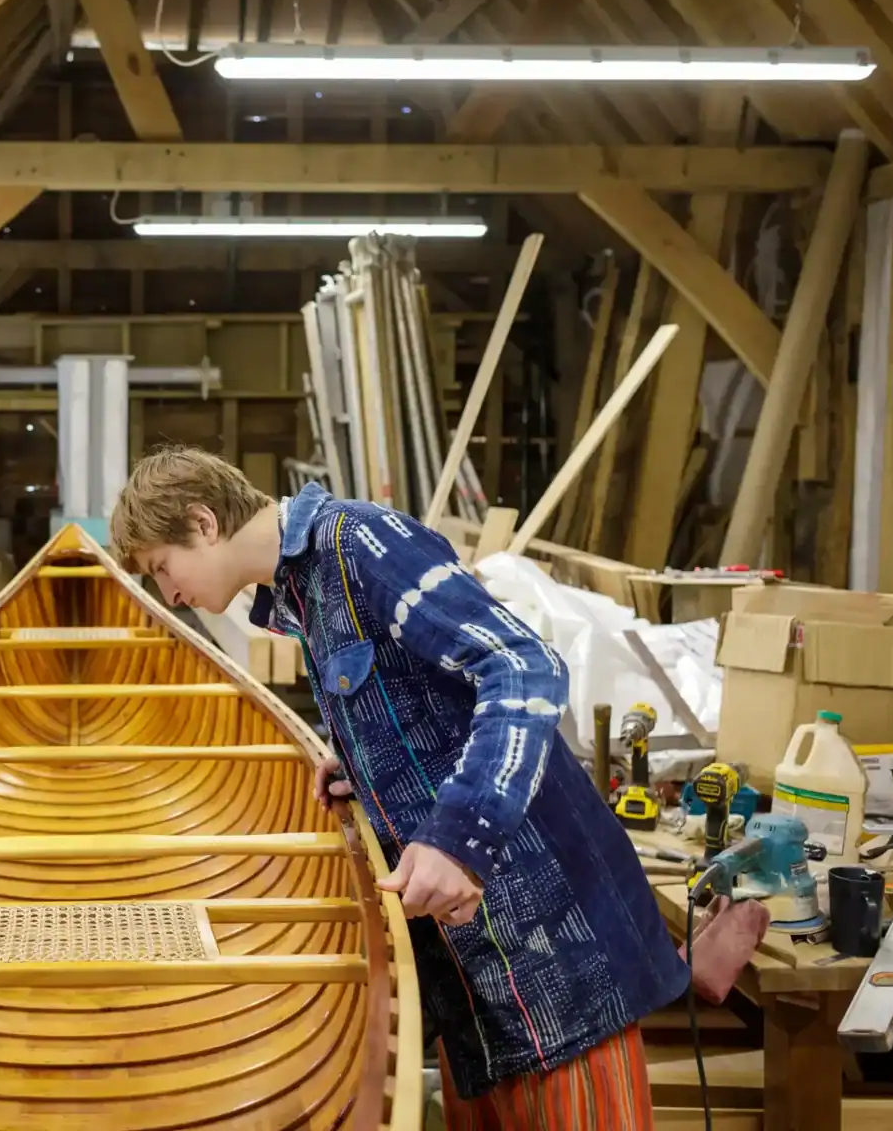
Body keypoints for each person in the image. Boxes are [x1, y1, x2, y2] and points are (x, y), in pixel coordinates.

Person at [109, 447, 688, 1131]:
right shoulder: (304, 595)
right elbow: (426, 700)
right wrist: (369, 766)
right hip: (474, 978)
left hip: (554, 954)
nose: (167, 593)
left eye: (161, 569)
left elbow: (522, 666)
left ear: (203, 523)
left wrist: (459, 842)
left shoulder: (360, 543)